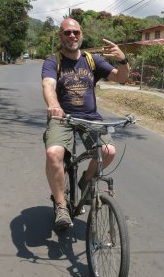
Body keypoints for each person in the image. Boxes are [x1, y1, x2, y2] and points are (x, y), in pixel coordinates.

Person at [41, 18, 129, 230]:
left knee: (108, 151)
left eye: (76, 32)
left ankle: (86, 181)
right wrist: (54, 105)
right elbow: (48, 85)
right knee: (54, 154)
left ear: (81, 35)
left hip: (89, 118)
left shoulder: (92, 60)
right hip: (62, 118)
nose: (72, 36)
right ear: (60, 36)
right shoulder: (53, 61)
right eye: (67, 32)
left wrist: (123, 60)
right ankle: (61, 204)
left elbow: (122, 78)